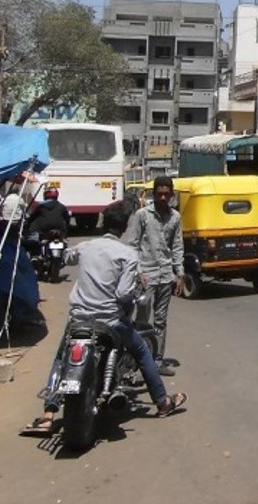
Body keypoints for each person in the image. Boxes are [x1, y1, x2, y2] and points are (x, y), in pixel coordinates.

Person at [23, 202, 186, 435]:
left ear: (102, 223)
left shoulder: (86, 246)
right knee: (141, 351)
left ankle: (48, 415)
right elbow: (122, 294)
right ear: (125, 227)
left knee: (61, 358)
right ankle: (162, 402)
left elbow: (67, 257)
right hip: (110, 321)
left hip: (79, 318)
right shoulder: (127, 254)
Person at [126, 176, 184, 376]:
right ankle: (137, 358)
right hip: (146, 277)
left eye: (166, 194)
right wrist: (138, 271)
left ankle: (157, 360)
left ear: (171, 195)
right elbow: (132, 245)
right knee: (142, 318)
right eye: (159, 193)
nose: (162, 197)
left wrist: (180, 273)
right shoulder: (142, 215)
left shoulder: (175, 217)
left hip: (166, 276)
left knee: (161, 320)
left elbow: (176, 247)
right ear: (153, 194)